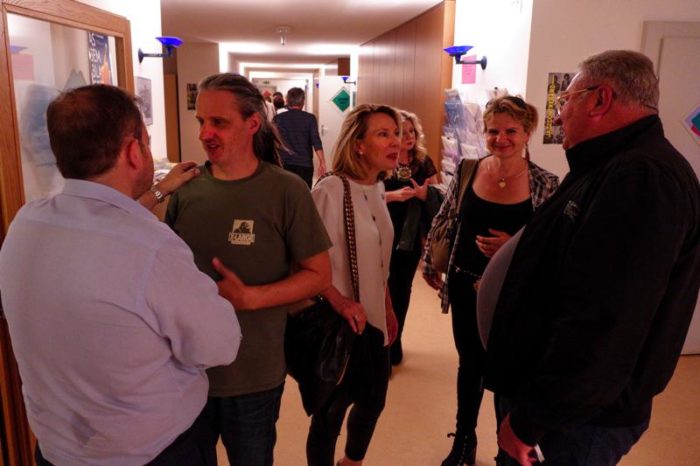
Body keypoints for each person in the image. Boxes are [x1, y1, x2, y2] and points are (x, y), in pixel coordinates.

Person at [0, 84, 242, 466]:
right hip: (154, 454)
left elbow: (100, 229)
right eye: (146, 141)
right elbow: (220, 345)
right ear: (133, 151)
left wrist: (158, 192)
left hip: (56, 453)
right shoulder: (153, 248)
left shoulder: (25, 225)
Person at [482, 50, 700, 466]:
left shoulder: (642, 177)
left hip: (575, 420)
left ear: (600, 99)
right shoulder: (607, 166)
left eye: (566, 100)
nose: (559, 113)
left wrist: (532, 419)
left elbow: (604, 321)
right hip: (558, 402)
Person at [165, 73, 332, 466]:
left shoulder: (286, 190)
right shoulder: (185, 189)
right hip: (184, 374)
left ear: (252, 123)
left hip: (253, 376)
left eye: (219, 122)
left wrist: (250, 298)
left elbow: (319, 275)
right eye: (201, 121)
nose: (205, 133)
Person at [423, 96, 559, 466]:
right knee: (470, 366)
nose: (501, 139)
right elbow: (446, 216)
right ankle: (464, 440)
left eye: (511, 131)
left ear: (527, 133)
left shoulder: (546, 183)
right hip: (466, 285)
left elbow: (552, 246)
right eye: (493, 131)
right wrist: (430, 261)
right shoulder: (469, 169)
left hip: (514, 295)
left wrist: (512, 247)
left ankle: (507, 449)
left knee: (509, 371)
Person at [307, 103, 401, 466]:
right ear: (358, 144)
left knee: (373, 401)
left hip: (373, 320)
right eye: (383, 134)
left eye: (396, 133)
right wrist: (341, 301)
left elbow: (380, 260)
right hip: (339, 323)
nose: (395, 141)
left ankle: (351, 462)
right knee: (330, 414)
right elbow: (306, 261)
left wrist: (388, 307)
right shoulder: (331, 190)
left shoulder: (377, 187)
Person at [383, 110, 439, 365]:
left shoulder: (423, 161)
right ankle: (381, 344)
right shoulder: (383, 159)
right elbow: (365, 195)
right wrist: (392, 196)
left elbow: (438, 194)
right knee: (382, 288)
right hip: (383, 231)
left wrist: (425, 194)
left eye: (411, 131)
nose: (408, 137)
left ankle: (395, 343)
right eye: (401, 132)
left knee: (402, 289)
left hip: (411, 235)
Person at [273, 87, 326, 187]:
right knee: (304, 192)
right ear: (303, 102)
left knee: (286, 192)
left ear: (287, 101)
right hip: (305, 164)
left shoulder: (278, 119)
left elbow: (274, 142)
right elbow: (316, 141)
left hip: (284, 163)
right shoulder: (310, 118)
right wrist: (322, 161)